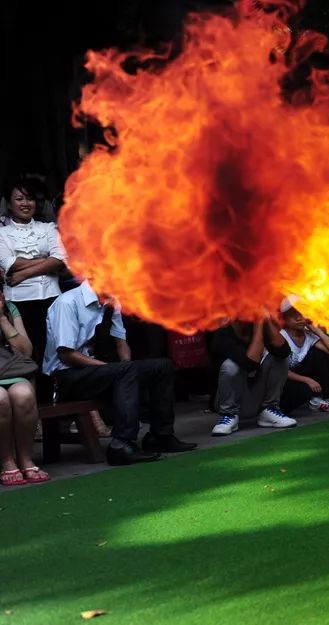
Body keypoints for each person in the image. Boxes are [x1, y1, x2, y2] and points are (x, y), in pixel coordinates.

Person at [43, 280, 196, 465]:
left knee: (161, 367)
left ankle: (161, 435)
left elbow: (121, 341)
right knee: (125, 371)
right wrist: (117, 370)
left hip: (92, 372)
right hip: (65, 377)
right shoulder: (67, 303)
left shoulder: (110, 301)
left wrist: (128, 368)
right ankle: (121, 444)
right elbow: (66, 354)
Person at [0, 176, 68, 402]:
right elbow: (8, 263)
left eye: (29, 198)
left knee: (53, 353)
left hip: (51, 297)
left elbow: (60, 259)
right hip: (18, 300)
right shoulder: (1, 233)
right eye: (19, 198)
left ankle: (53, 409)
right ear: (9, 203)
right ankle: (32, 408)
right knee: (26, 355)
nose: (25, 203)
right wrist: (43, 261)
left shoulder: (48, 228)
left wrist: (21, 273)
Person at [210, 317, 296, 436]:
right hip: (232, 400)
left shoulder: (257, 328)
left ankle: (269, 409)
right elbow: (250, 364)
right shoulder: (222, 334)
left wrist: (266, 319)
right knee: (230, 366)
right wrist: (259, 326)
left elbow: (284, 351)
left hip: (255, 398)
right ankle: (228, 416)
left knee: (279, 356)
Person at [0, 290, 48, 486]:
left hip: (11, 370)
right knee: (0, 399)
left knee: (24, 394)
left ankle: (26, 459)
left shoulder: (10, 308)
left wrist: (2, 318)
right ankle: (6, 461)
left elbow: (26, 351)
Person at [279, 302, 329, 414]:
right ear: (284, 318)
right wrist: (307, 380)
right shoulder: (281, 337)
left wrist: (316, 331)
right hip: (285, 381)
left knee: (319, 353)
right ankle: (311, 401)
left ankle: (319, 399)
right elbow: (280, 370)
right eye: (293, 315)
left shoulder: (308, 335)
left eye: (302, 313)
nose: (299, 318)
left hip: (303, 379)